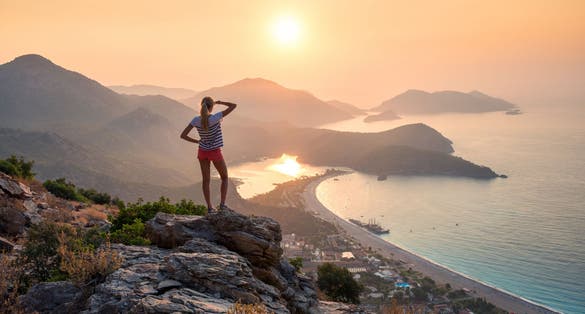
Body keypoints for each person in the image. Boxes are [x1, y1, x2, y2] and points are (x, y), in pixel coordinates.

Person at [180, 96, 237, 213]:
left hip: (202, 152)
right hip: (215, 152)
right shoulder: (215, 118)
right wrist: (220, 102)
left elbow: (183, 135)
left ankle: (210, 208)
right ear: (211, 107)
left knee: (206, 180)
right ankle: (222, 205)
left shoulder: (196, 120)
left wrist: (197, 141)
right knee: (225, 178)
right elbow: (233, 106)